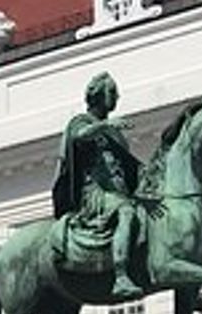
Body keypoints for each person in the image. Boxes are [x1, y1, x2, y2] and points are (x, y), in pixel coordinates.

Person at [52, 72, 145, 300]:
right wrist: (103, 126)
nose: (117, 97)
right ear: (98, 95)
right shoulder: (80, 122)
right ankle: (121, 276)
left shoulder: (114, 132)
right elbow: (79, 137)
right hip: (94, 194)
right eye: (112, 92)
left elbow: (128, 166)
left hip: (118, 192)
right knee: (126, 211)